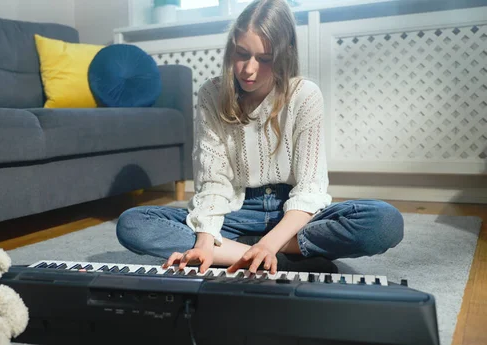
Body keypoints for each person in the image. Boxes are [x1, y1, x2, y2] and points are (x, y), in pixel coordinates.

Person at [116, 0, 403, 275]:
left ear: (284, 56)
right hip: (234, 211)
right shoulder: (211, 95)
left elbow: (310, 190)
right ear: (231, 49)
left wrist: (270, 242)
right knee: (133, 224)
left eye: (264, 59)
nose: (249, 69)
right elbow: (213, 183)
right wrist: (204, 242)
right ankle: (283, 259)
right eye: (241, 54)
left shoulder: (305, 95)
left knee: (384, 222)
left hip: (291, 215)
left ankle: (249, 253)